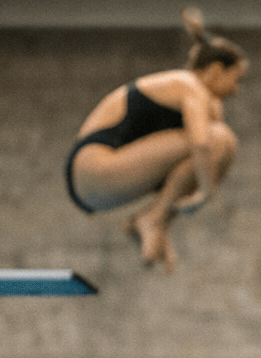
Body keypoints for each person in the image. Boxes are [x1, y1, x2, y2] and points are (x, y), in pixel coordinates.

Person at [66, 8, 246, 271]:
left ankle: (155, 220)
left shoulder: (206, 102)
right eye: (236, 79)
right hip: (92, 166)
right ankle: (153, 218)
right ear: (217, 70)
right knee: (219, 140)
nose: (237, 89)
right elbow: (201, 144)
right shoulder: (188, 84)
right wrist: (206, 193)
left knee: (219, 144)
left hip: (98, 183)